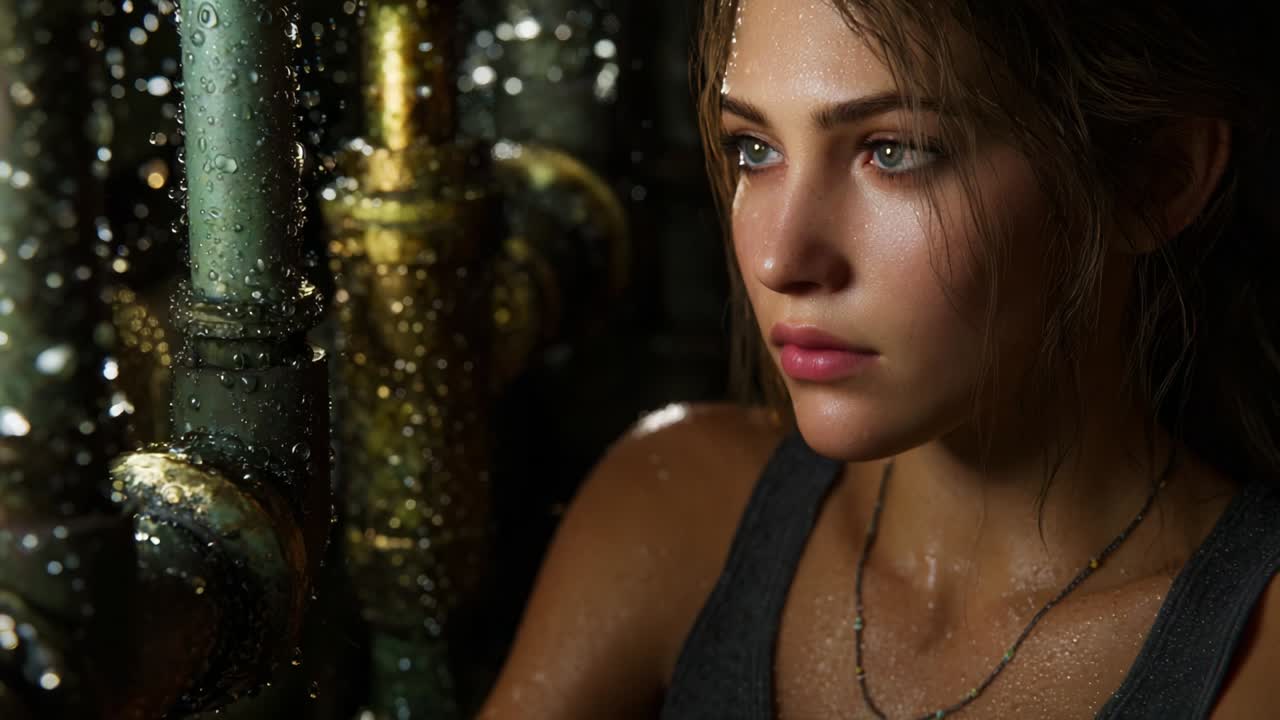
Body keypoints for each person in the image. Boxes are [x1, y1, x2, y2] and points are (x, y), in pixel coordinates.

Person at [478, 0, 1280, 717]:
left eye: (893, 152)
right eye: (754, 149)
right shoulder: (674, 513)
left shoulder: (1257, 653)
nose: (781, 260)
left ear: (1156, 179)